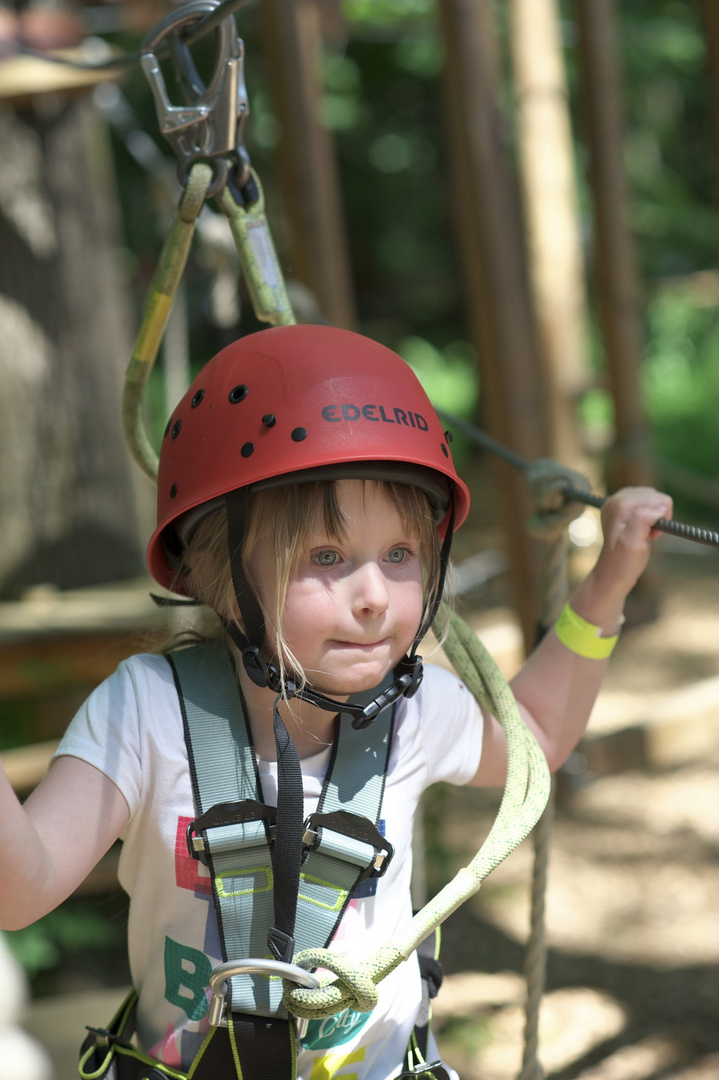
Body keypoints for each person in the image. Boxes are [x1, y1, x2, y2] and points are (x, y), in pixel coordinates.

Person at [0, 325, 671, 1080]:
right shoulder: (149, 714)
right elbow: (19, 893)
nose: (375, 598)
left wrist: (606, 584)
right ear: (218, 570)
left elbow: (537, 739)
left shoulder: (415, 712)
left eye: (399, 556)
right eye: (325, 558)